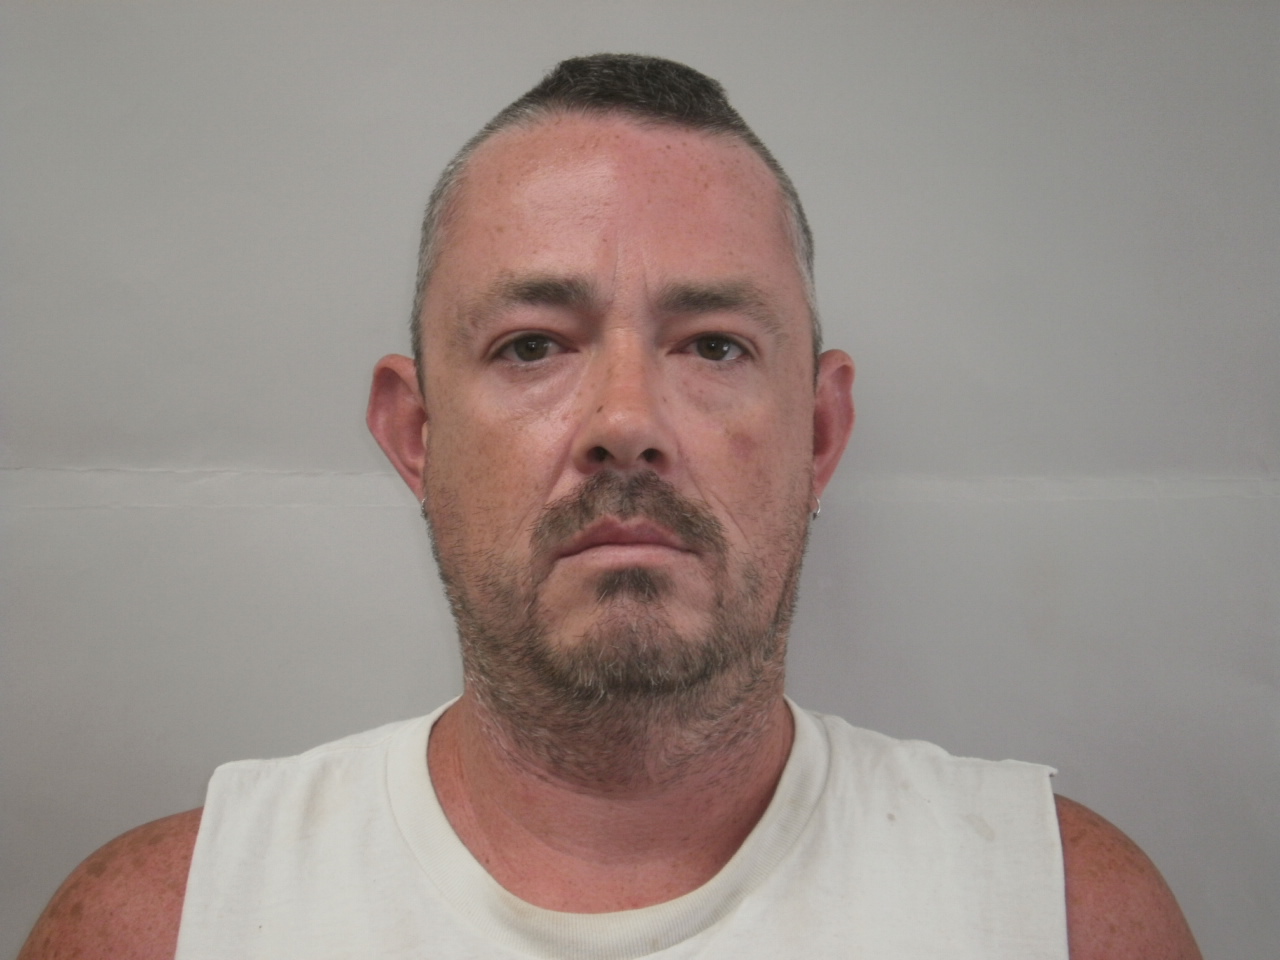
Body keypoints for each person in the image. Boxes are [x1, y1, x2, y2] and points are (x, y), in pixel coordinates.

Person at [20, 54, 1201, 960]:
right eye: (532, 344)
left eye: (713, 345)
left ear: (818, 432)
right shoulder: (166, 925)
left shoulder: (1057, 915)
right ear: (416, 434)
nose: (624, 420)